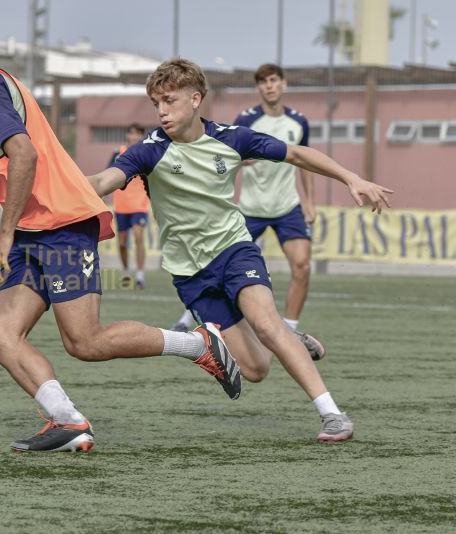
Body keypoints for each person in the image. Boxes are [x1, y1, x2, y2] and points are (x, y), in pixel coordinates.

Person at [0, 18, 242, 453]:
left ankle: (198, 344)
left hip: (61, 224)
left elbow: (24, 153)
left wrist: (3, 238)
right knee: (1, 335)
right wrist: (10, 235)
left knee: (84, 341)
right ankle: (68, 421)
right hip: (32, 229)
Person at [86, 59, 392, 442]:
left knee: (265, 322)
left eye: (170, 100)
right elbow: (102, 179)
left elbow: (296, 154)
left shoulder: (233, 138)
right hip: (189, 273)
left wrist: (352, 177)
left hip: (233, 250)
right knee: (256, 369)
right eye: (156, 103)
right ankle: (291, 338)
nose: (162, 111)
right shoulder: (149, 150)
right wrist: (54, 188)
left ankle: (332, 414)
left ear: (195, 99)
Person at [172, 64, 321, 359]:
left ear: (284, 84)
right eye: (264, 82)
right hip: (251, 208)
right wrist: (243, 160)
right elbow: (225, 156)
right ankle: (187, 320)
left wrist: (309, 201)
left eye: (274, 80)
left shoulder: (299, 121)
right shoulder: (248, 119)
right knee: (212, 263)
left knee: (302, 265)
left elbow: (304, 161)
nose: (270, 86)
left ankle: (289, 330)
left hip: (287, 206)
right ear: (259, 88)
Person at [110, 123, 150, 289]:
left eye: (136, 134)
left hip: (140, 204)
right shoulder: (117, 153)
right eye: (130, 133)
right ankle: (127, 272)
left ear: (141, 136)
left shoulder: (146, 153)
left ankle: (140, 276)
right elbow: (109, 174)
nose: (132, 137)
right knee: (122, 242)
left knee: (139, 236)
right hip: (121, 205)